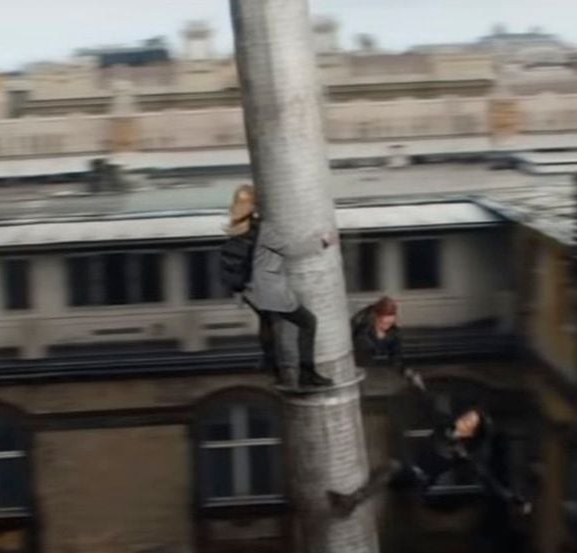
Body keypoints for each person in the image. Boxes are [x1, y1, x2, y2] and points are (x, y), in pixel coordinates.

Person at [328, 398, 532, 517]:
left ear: (473, 431)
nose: (464, 420)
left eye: (470, 421)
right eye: (466, 416)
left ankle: (350, 501)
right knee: (384, 470)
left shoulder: (462, 452)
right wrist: (413, 379)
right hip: (410, 462)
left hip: (419, 476)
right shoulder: (445, 425)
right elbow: (429, 403)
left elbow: (487, 479)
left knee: (390, 467)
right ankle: (351, 500)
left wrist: (512, 498)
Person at [223, 185, 332, 388]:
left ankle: (273, 370)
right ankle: (307, 375)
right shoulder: (263, 229)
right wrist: (321, 242)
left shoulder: (235, 227)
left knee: (268, 324)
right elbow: (290, 250)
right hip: (268, 289)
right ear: (255, 205)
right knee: (308, 322)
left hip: (249, 291)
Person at [350, 296, 425, 391]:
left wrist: (409, 373)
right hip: (353, 365)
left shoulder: (392, 331)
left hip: (367, 367)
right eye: (383, 323)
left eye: (389, 323)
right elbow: (359, 348)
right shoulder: (361, 325)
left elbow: (395, 357)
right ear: (375, 317)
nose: (386, 327)